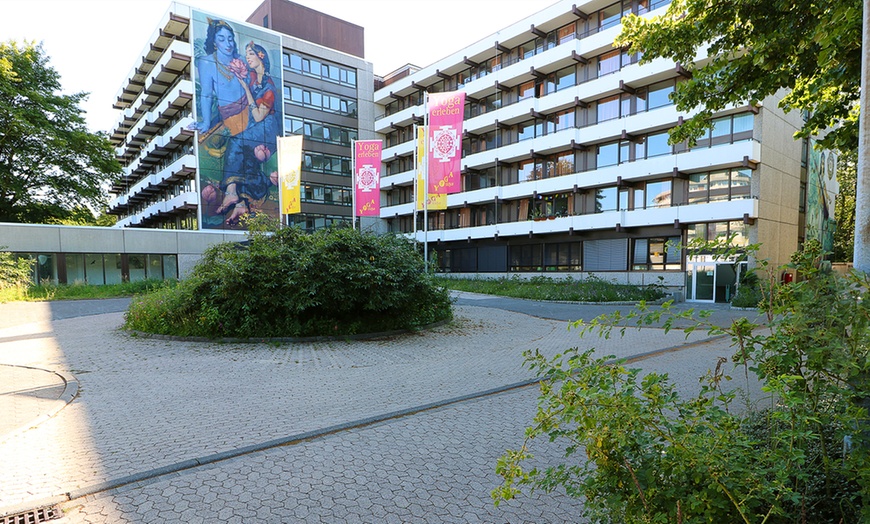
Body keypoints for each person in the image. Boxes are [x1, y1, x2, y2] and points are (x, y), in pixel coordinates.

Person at [215, 41, 281, 225]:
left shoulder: (269, 88)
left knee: (236, 142)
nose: (248, 58)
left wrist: (246, 90)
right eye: (246, 55)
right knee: (247, 163)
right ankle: (242, 202)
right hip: (255, 130)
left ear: (261, 56)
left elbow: (259, 116)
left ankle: (230, 192)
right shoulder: (253, 77)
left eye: (251, 54)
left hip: (267, 130)